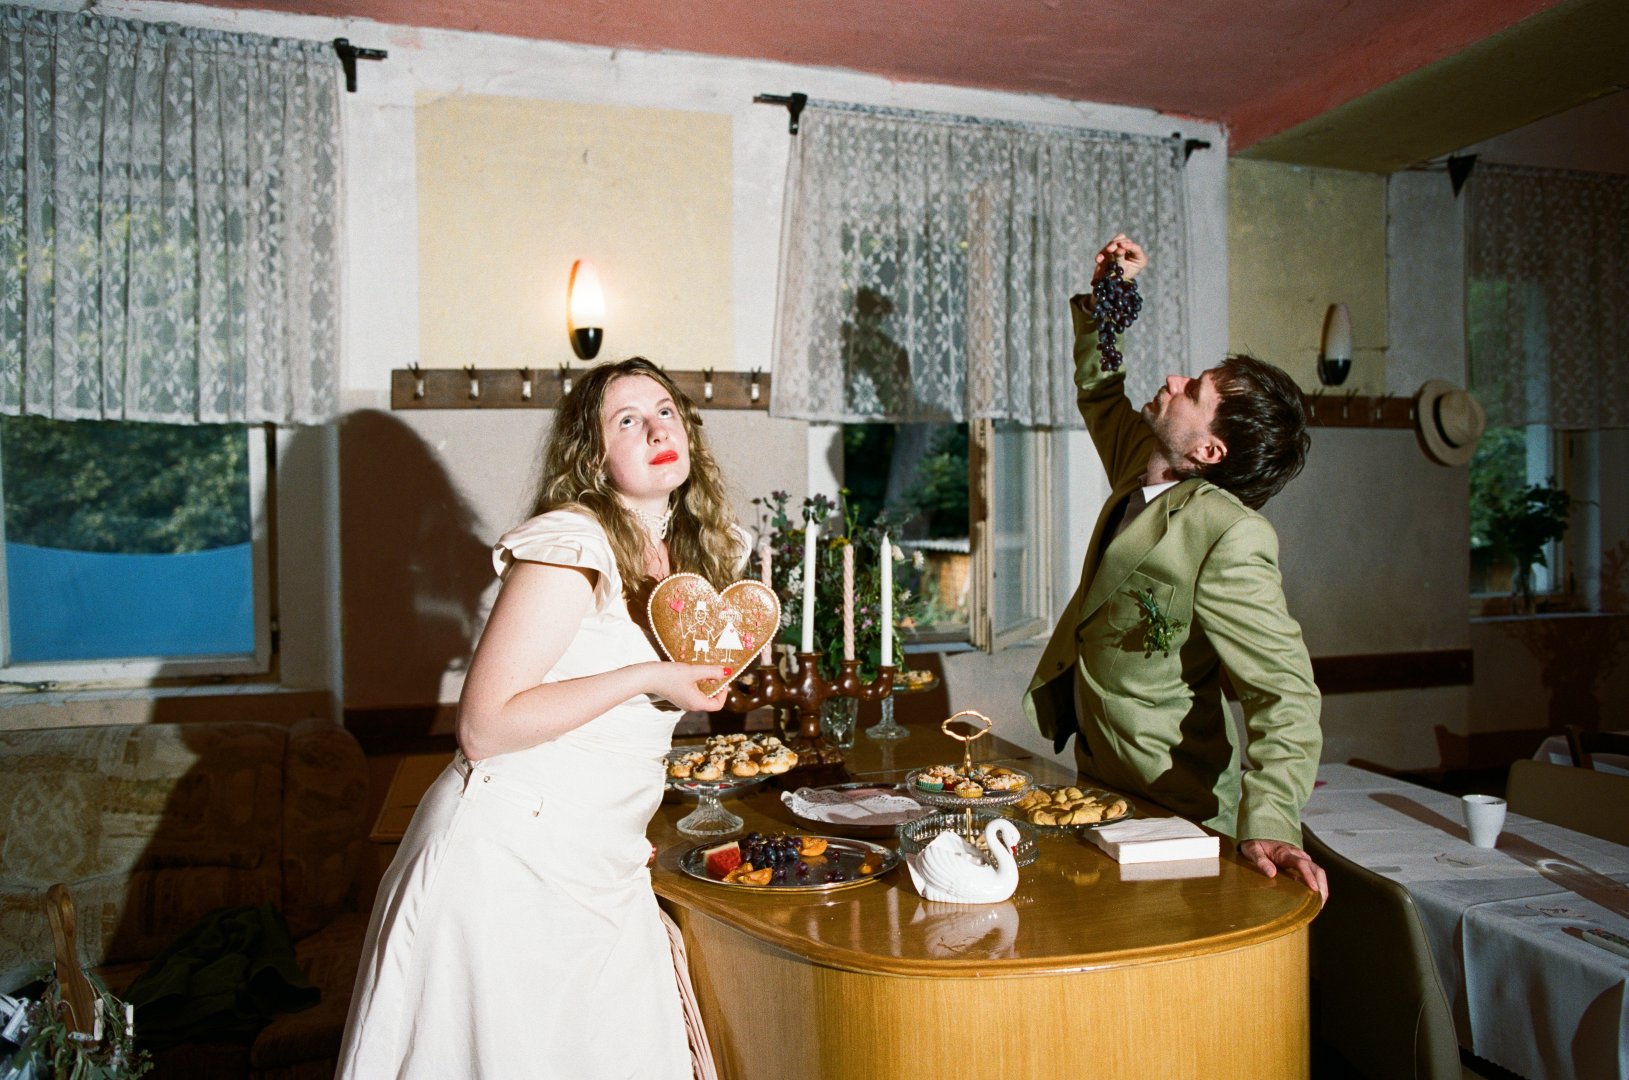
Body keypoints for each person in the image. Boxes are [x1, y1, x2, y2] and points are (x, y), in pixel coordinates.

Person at [338, 356, 746, 1078]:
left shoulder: (693, 554)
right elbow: (484, 728)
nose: (657, 429)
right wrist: (650, 677)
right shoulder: (571, 545)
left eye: (665, 411)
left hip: (602, 860)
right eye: (627, 420)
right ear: (592, 457)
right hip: (505, 861)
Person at [1024, 235, 1328, 903]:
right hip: (1101, 779)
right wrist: (1110, 295)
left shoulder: (1229, 533)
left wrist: (1272, 821)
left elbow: (1284, 692)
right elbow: (1100, 391)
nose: (1171, 380)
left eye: (1193, 390)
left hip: (1180, 810)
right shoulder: (1142, 462)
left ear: (1210, 450)